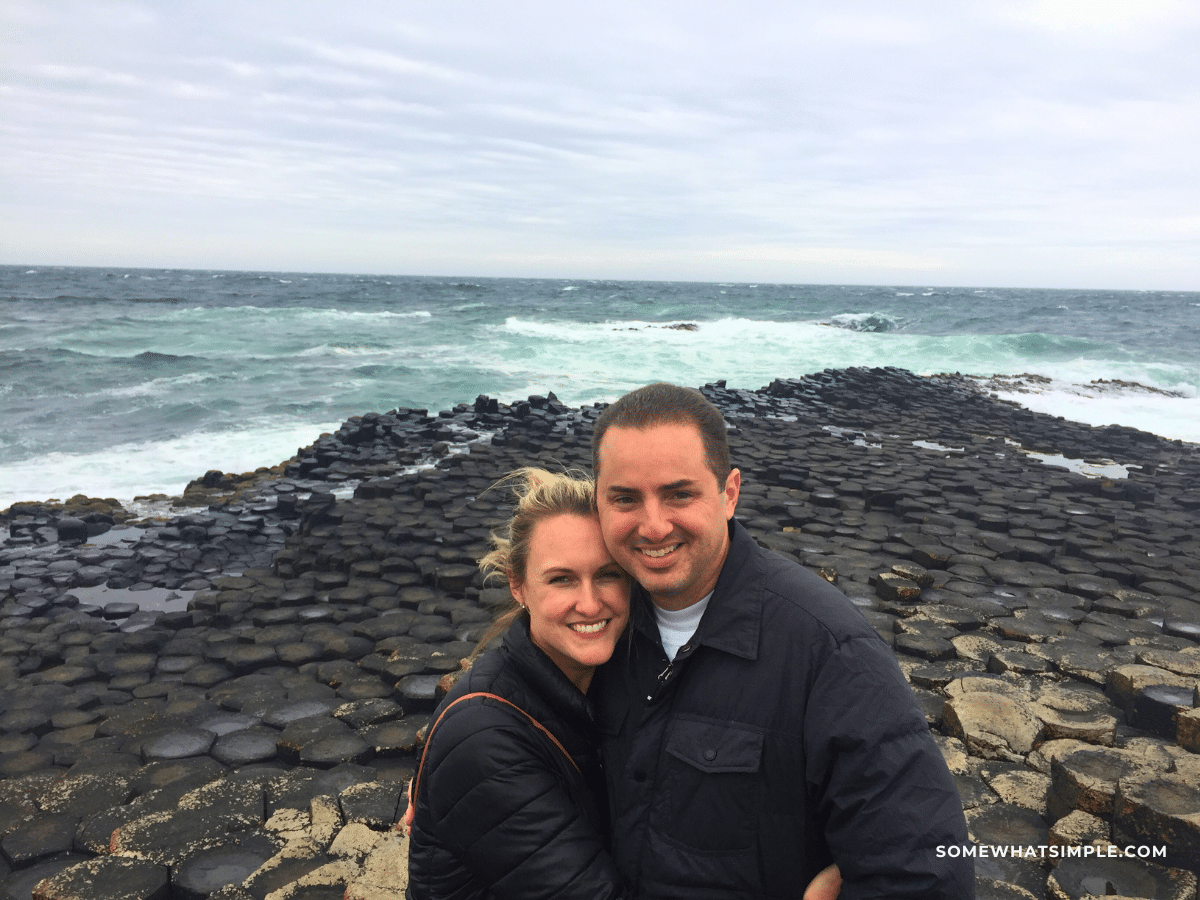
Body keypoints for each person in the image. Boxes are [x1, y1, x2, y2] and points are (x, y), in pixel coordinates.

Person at [590, 384, 974, 899]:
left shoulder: (829, 651)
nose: (654, 526)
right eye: (625, 499)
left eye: (680, 494)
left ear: (730, 493)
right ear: (597, 503)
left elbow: (927, 874)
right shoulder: (592, 630)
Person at [406, 468, 631, 900]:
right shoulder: (483, 742)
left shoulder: (615, 677)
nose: (590, 604)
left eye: (609, 574)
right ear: (518, 585)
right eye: (561, 579)